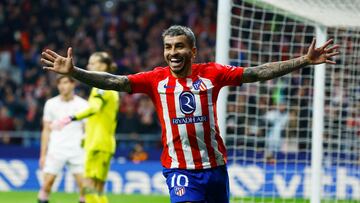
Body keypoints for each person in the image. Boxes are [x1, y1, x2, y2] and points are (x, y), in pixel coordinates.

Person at [41, 25, 339, 203]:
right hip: (180, 170)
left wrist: (304, 60)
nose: (173, 52)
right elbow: (116, 82)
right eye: (168, 47)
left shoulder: (212, 74)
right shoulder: (156, 80)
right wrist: (76, 72)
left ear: (192, 51)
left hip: (216, 168)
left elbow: (256, 73)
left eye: (179, 47)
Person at [51, 52, 119, 203]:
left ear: (102, 66)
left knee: (87, 189)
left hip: (96, 144)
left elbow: (94, 108)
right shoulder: (113, 86)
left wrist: (70, 117)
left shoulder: (101, 87)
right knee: (98, 190)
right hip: (105, 144)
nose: (89, 66)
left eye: (92, 63)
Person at [38, 75, 88, 203]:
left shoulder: (83, 104)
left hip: (77, 149)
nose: (62, 86)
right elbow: (46, 130)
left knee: (85, 189)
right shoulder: (50, 104)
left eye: (65, 82)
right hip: (56, 149)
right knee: (47, 185)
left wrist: (87, 152)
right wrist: (43, 155)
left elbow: (87, 130)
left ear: (73, 84)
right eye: (59, 83)